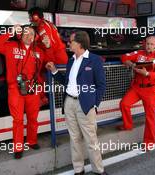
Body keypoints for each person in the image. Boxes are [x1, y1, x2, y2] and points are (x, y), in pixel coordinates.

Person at [45, 31, 108, 175]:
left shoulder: (95, 60)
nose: (68, 43)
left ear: (79, 43)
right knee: (74, 138)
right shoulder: (71, 60)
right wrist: (54, 71)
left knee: (91, 139)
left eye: (70, 41)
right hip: (69, 103)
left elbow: (101, 85)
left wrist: (94, 104)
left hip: (85, 105)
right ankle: (78, 170)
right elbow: (67, 83)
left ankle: (98, 170)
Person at [0, 24, 53, 159]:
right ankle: (18, 147)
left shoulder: (39, 51)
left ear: (35, 37)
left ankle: (32, 141)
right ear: (20, 34)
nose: (28, 35)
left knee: (33, 118)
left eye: (32, 33)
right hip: (15, 89)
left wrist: (48, 47)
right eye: (26, 32)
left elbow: (49, 61)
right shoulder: (11, 46)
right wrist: (11, 31)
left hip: (33, 88)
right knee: (18, 120)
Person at [117, 35, 155, 150]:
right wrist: (132, 65)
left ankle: (149, 143)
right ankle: (127, 125)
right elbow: (124, 57)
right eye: (147, 43)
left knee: (150, 116)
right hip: (137, 88)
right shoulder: (139, 53)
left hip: (150, 90)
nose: (149, 46)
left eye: (151, 44)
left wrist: (147, 74)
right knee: (124, 104)